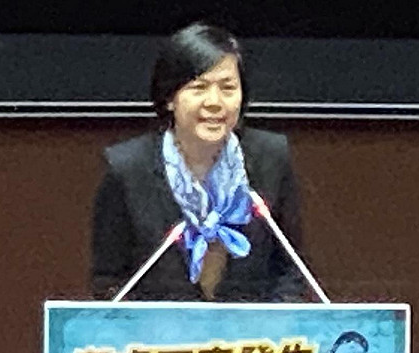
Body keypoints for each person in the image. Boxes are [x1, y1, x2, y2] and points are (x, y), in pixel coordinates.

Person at [91, 22, 306, 302]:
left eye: (228, 88)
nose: (214, 102)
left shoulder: (270, 157)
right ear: (170, 98)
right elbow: (109, 283)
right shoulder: (127, 169)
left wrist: (269, 322)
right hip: (160, 330)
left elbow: (291, 272)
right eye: (199, 87)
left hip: (253, 329)